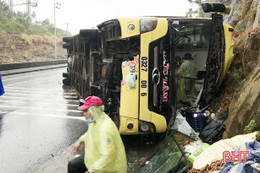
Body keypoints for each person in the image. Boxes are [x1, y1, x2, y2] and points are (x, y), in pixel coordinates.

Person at [68, 96, 127, 173]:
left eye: (86, 111)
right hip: (95, 160)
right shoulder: (95, 120)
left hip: (109, 168)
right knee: (73, 165)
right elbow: (90, 133)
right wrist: (80, 140)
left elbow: (108, 156)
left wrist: (92, 170)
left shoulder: (106, 128)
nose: (84, 114)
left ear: (94, 110)